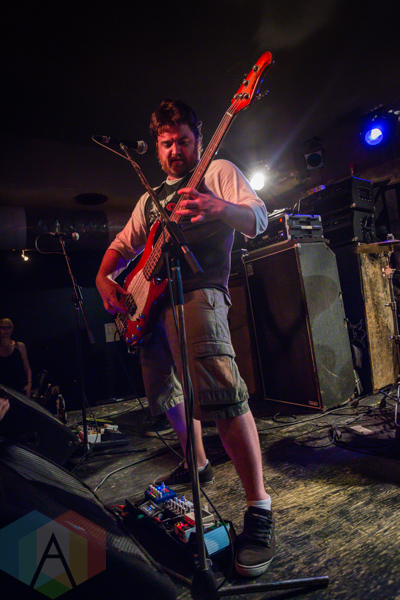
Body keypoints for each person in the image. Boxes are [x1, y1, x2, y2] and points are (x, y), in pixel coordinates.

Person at [96, 99, 274, 577]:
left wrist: (220, 206)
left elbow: (258, 219)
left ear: (198, 138)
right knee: (166, 391)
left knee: (223, 396)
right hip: (150, 306)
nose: (175, 150)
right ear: (156, 148)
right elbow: (122, 246)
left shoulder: (217, 171)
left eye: (183, 141)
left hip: (198, 292)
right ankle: (197, 462)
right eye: (166, 143)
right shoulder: (150, 198)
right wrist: (103, 278)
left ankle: (259, 509)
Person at [0, 318, 32, 398]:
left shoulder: (19, 346)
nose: (6, 330)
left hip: (19, 388)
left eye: (8, 327)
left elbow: (27, 368)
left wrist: (29, 384)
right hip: (2, 389)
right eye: (3, 327)